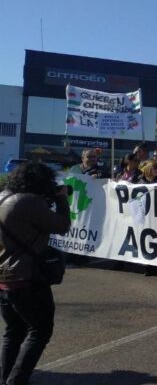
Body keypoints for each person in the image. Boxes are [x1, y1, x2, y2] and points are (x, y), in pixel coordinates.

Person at [0, 162, 71, 385]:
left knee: (14, 331)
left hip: (4, 275)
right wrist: (60, 199)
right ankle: (16, 381)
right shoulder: (28, 202)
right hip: (25, 277)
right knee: (40, 330)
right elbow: (61, 225)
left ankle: (5, 378)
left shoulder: (3, 196)